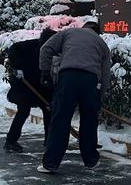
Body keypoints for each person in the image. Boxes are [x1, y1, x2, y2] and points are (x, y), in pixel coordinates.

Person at [37, 20, 111, 173]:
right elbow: (105, 76)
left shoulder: (68, 33)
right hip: (91, 81)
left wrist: (45, 72)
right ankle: (91, 160)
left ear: (83, 28)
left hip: (68, 78)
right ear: (98, 32)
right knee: (89, 121)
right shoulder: (102, 44)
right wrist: (100, 99)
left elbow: (46, 48)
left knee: (60, 121)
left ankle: (50, 163)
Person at [4, 29, 56, 152]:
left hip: (40, 85)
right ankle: (10, 141)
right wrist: (17, 67)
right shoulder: (30, 45)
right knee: (23, 111)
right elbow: (13, 49)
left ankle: (49, 141)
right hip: (24, 84)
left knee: (48, 110)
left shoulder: (52, 51)